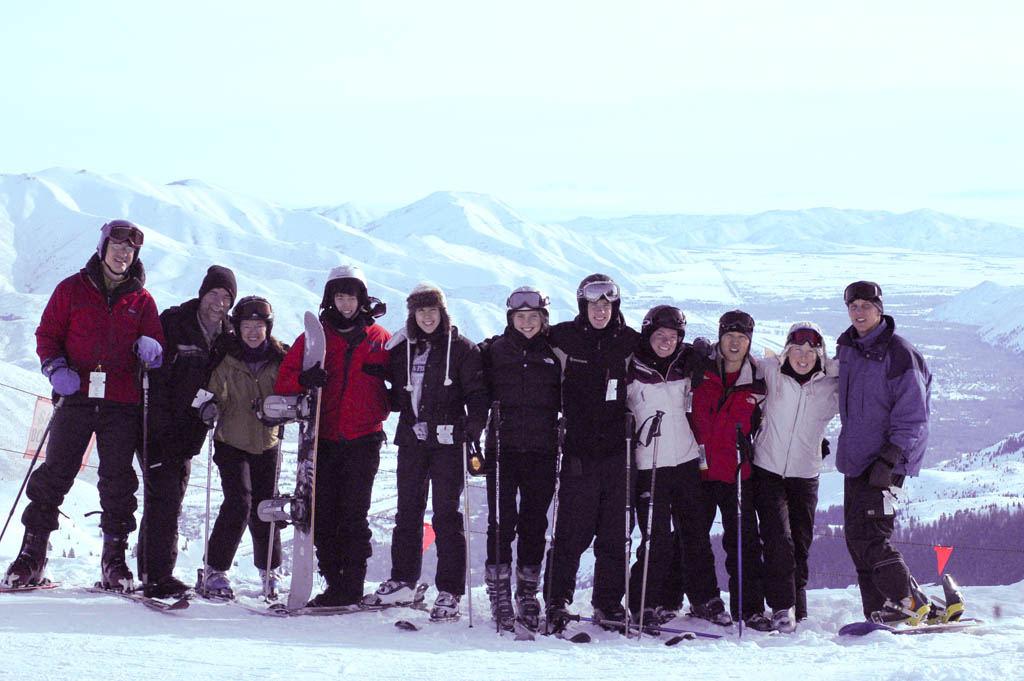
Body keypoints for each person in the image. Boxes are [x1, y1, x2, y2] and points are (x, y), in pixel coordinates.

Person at [3, 220, 164, 591]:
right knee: (54, 474)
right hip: (74, 398)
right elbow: (47, 334)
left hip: (120, 403)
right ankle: (32, 555)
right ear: (102, 247)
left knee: (118, 482)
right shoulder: (72, 289)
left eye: (130, 249)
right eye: (117, 246)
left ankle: (114, 560)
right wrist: (55, 366)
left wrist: (152, 349)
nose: (123, 254)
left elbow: (155, 341)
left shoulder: (142, 300)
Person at [362, 282, 487, 622]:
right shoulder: (405, 348)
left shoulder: (462, 349)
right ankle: (404, 580)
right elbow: (399, 394)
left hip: (448, 442)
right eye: (420, 311)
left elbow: (477, 395)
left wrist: (470, 429)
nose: (427, 317)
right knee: (407, 513)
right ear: (413, 315)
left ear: (442, 313)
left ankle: (449, 591)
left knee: (446, 516)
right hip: (412, 440)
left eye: (432, 310)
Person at [274, 265, 391, 607]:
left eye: (351, 296)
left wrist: (388, 392)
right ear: (330, 299)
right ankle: (332, 580)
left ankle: (351, 585)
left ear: (361, 299)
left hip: (364, 439)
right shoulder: (315, 338)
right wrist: (306, 380)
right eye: (339, 296)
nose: (345, 303)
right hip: (321, 440)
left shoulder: (379, 338)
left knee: (354, 515)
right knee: (322, 514)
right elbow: (284, 380)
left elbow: (399, 384)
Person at [544, 273, 640, 633]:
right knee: (571, 533)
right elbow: (525, 347)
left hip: (619, 451)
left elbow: (667, 355)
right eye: (593, 304)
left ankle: (608, 603)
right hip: (578, 453)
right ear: (582, 305)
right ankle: (556, 600)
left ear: (615, 306)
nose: (600, 311)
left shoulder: (631, 342)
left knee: (616, 534)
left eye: (607, 304)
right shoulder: (564, 337)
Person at [836, 281, 932, 624]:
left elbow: (913, 414)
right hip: (856, 459)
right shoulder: (849, 348)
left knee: (872, 536)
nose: (859, 312)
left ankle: (906, 601)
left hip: (886, 461)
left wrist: (890, 459)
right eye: (853, 306)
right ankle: (880, 610)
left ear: (880, 308)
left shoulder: (899, 352)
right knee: (856, 538)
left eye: (866, 305)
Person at [139, 265, 237, 598]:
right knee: (164, 497)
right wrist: (160, 428)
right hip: (157, 425)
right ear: (201, 293)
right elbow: (156, 379)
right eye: (213, 294)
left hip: (190, 433)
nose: (218, 302)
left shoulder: (229, 335)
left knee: (170, 499)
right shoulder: (174, 322)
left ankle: (153, 572)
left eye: (226, 297)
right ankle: (156, 576)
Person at [625, 305, 720, 627]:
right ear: (648, 335)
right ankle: (644, 604)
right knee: (656, 539)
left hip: (686, 460)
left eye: (673, 336)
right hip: (649, 465)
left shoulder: (686, 363)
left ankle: (705, 598)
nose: (666, 342)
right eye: (660, 336)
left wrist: (700, 352)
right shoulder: (631, 367)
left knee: (696, 534)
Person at [477, 286, 561, 632]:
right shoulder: (495, 350)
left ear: (543, 319)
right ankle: (499, 592)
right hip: (503, 447)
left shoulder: (556, 352)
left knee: (534, 522)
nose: (527, 323)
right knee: (501, 522)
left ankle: (528, 591)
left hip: (542, 448)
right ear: (511, 319)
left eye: (533, 317)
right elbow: (469, 373)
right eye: (520, 317)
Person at [194, 296, 287, 599]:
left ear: (267, 328)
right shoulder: (227, 357)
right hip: (231, 442)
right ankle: (215, 569)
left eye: (258, 326)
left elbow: (291, 391)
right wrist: (207, 406)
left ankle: (269, 570)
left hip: (267, 443)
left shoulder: (279, 358)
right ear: (237, 327)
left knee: (266, 508)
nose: (252, 332)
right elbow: (211, 391)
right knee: (239, 502)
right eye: (246, 326)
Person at [752, 321, 838, 632]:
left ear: (820, 355)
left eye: (810, 351)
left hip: (805, 473)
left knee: (800, 544)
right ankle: (780, 607)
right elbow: (735, 363)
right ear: (786, 351)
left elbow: (860, 380)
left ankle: (796, 603)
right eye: (797, 350)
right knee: (778, 539)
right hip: (768, 469)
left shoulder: (830, 384)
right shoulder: (771, 372)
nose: (803, 357)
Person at [689, 309, 770, 630]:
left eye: (742, 338)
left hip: (738, 472)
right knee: (692, 539)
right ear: (719, 337)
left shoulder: (761, 378)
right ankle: (703, 601)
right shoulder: (698, 368)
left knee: (744, 543)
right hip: (698, 468)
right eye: (729, 336)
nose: (735, 343)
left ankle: (749, 609)